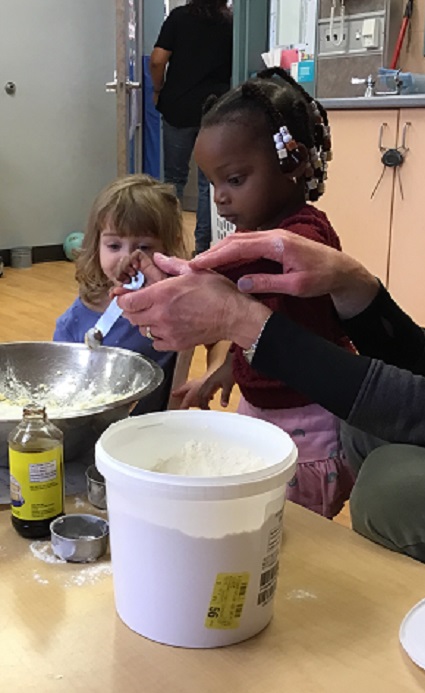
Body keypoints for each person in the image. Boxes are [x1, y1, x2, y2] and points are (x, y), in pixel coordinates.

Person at [115, 5, 425, 582]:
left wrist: (236, 319)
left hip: (306, 429)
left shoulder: (297, 224)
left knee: (395, 488)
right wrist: (357, 284)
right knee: (373, 425)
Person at [119, 69, 356, 519]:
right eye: (212, 183)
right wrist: (221, 372)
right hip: (262, 411)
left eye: (235, 179)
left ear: (293, 161)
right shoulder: (257, 234)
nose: (220, 198)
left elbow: (266, 319)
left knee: (286, 537)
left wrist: (165, 274)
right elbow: (257, 325)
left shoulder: (299, 239)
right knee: (253, 522)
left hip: (306, 434)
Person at [53, 174, 226, 414]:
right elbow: (58, 379)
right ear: (96, 246)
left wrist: (211, 374)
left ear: (169, 248)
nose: (128, 258)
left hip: (155, 433)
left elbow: (221, 336)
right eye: (114, 246)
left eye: (144, 247)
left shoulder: (177, 302)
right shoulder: (77, 317)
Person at [150, 0, 233, 255]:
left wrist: (157, 88)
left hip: (178, 106)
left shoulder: (178, 17)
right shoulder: (230, 22)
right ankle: (202, 247)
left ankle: (169, 244)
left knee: (173, 179)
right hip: (216, 109)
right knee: (209, 182)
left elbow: (157, 60)